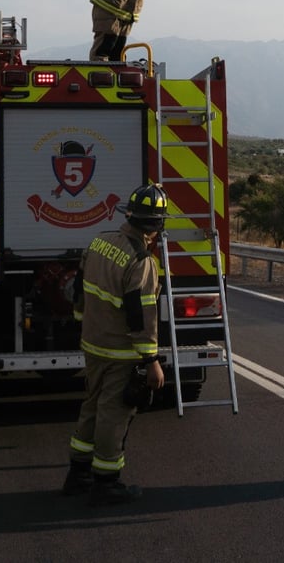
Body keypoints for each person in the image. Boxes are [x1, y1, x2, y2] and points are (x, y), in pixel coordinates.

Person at [63, 183, 168, 505]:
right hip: (120, 351)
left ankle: (78, 474)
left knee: (92, 406)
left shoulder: (100, 242)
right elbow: (141, 315)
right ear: (156, 226)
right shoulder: (142, 261)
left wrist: (81, 318)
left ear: (129, 215)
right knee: (114, 414)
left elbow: (80, 289)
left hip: (92, 342)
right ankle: (106, 482)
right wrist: (151, 360)